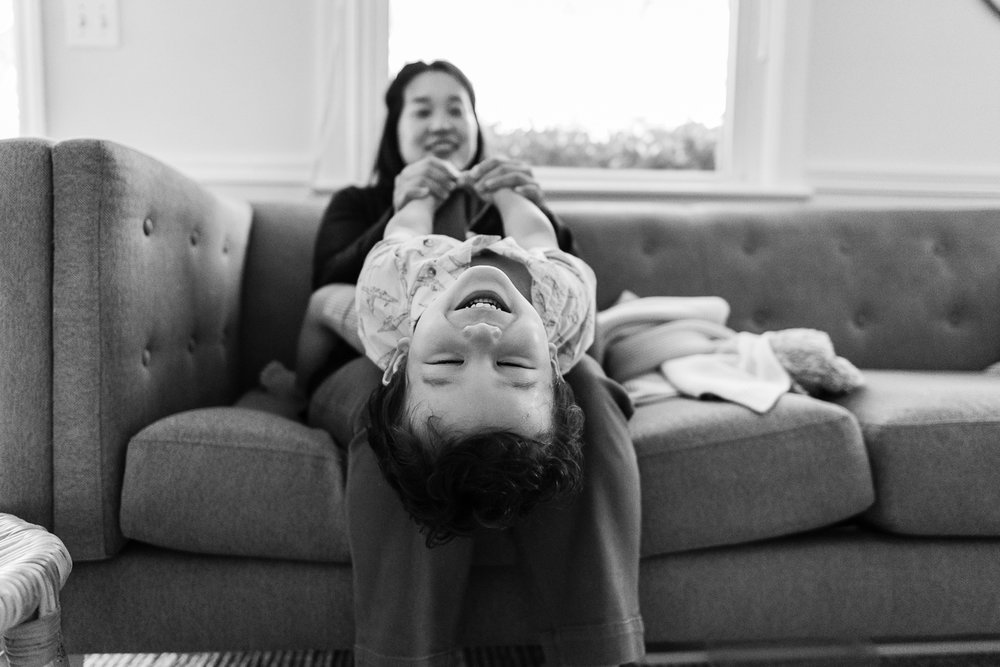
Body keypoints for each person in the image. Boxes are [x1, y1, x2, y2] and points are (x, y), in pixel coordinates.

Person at [309, 60, 644, 667]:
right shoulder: (359, 203)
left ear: (475, 123)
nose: (442, 122)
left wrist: (530, 201)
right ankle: (405, 657)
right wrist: (401, 207)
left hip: (524, 362)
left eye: (455, 108)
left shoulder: (504, 217)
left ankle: (602, 651)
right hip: (369, 362)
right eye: (423, 108)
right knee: (405, 412)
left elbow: (565, 312)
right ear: (395, 127)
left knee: (586, 384)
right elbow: (335, 287)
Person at [357, 180, 597, 547]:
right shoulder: (563, 301)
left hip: (425, 261)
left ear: (402, 359)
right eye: (513, 366)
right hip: (529, 266)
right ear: (552, 361)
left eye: (448, 361)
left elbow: (403, 231)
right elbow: (537, 234)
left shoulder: (387, 294)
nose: (483, 335)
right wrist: (507, 192)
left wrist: (422, 195)